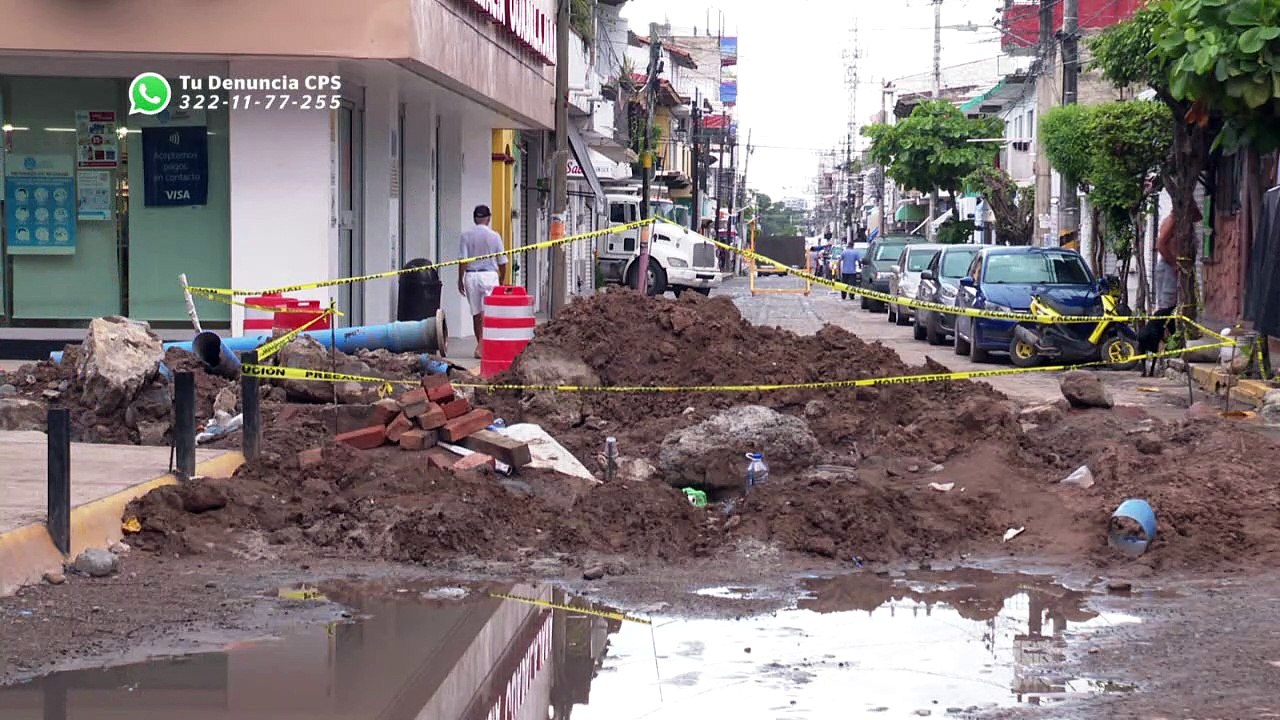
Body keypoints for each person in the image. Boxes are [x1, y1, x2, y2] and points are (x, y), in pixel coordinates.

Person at [457, 204, 509, 358]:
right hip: (489, 275)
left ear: (474, 218)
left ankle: (480, 345)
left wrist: (460, 279)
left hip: (471, 275)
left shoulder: (465, 236)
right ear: (488, 219)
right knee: (488, 312)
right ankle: (482, 345)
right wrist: (501, 278)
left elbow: (463, 260)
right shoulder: (494, 236)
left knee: (476, 312)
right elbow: (502, 261)